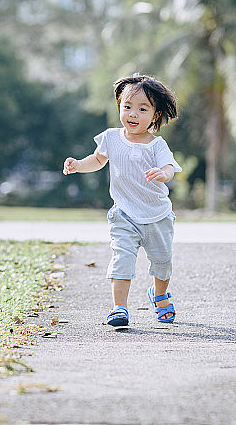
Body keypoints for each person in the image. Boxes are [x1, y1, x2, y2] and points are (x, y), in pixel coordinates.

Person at [63, 74, 181, 327]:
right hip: (124, 214)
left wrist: (164, 173)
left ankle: (159, 294)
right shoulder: (111, 138)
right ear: (119, 108)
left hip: (157, 216)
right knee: (122, 258)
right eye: (127, 107)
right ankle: (119, 308)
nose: (133, 114)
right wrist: (78, 165)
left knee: (162, 262)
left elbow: (169, 166)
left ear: (155, 115)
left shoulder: (156, 145)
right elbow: (97, 160)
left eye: (142, 109)